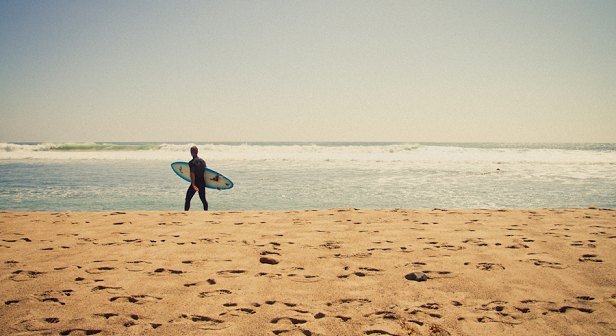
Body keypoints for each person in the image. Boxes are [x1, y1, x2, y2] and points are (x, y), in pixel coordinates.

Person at [185, 146, 208, 211]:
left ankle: (186, 212)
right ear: (197, 152)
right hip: (202, 182)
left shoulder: (192, 162)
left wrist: (193, 184)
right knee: (203, 199)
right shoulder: (203, 161)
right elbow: (206, 172)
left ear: (191, 153)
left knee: (188, 198)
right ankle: (206, 212)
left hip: (196, 182)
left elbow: (192, 173)